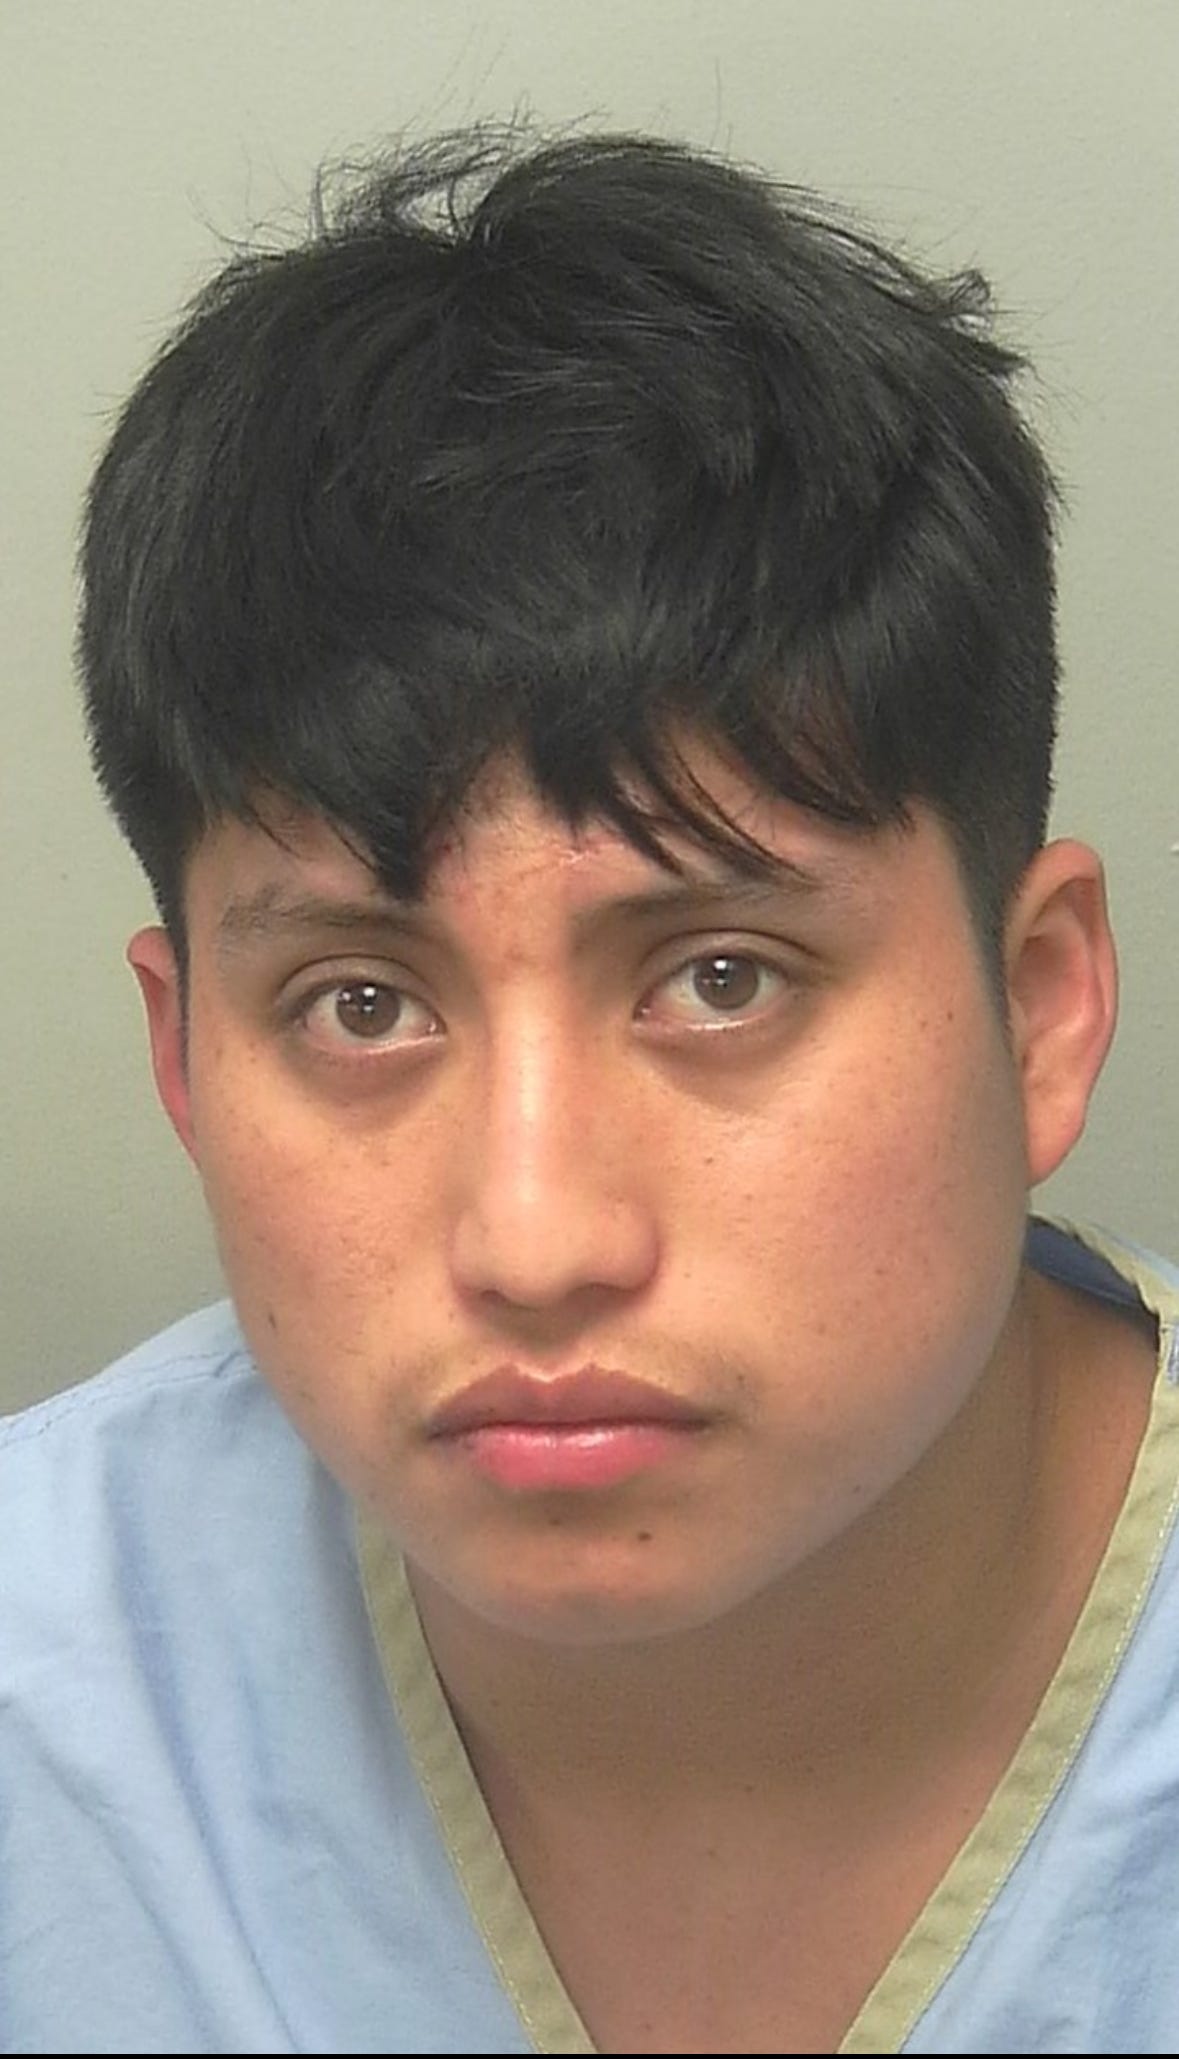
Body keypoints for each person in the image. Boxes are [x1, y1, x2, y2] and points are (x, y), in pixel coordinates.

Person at [3, 120, 1175, 2058]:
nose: (536, 1241)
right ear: (184, 1054)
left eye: (720, 978)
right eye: (359, 1006)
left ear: (1039, 1007)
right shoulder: (46, 1685)